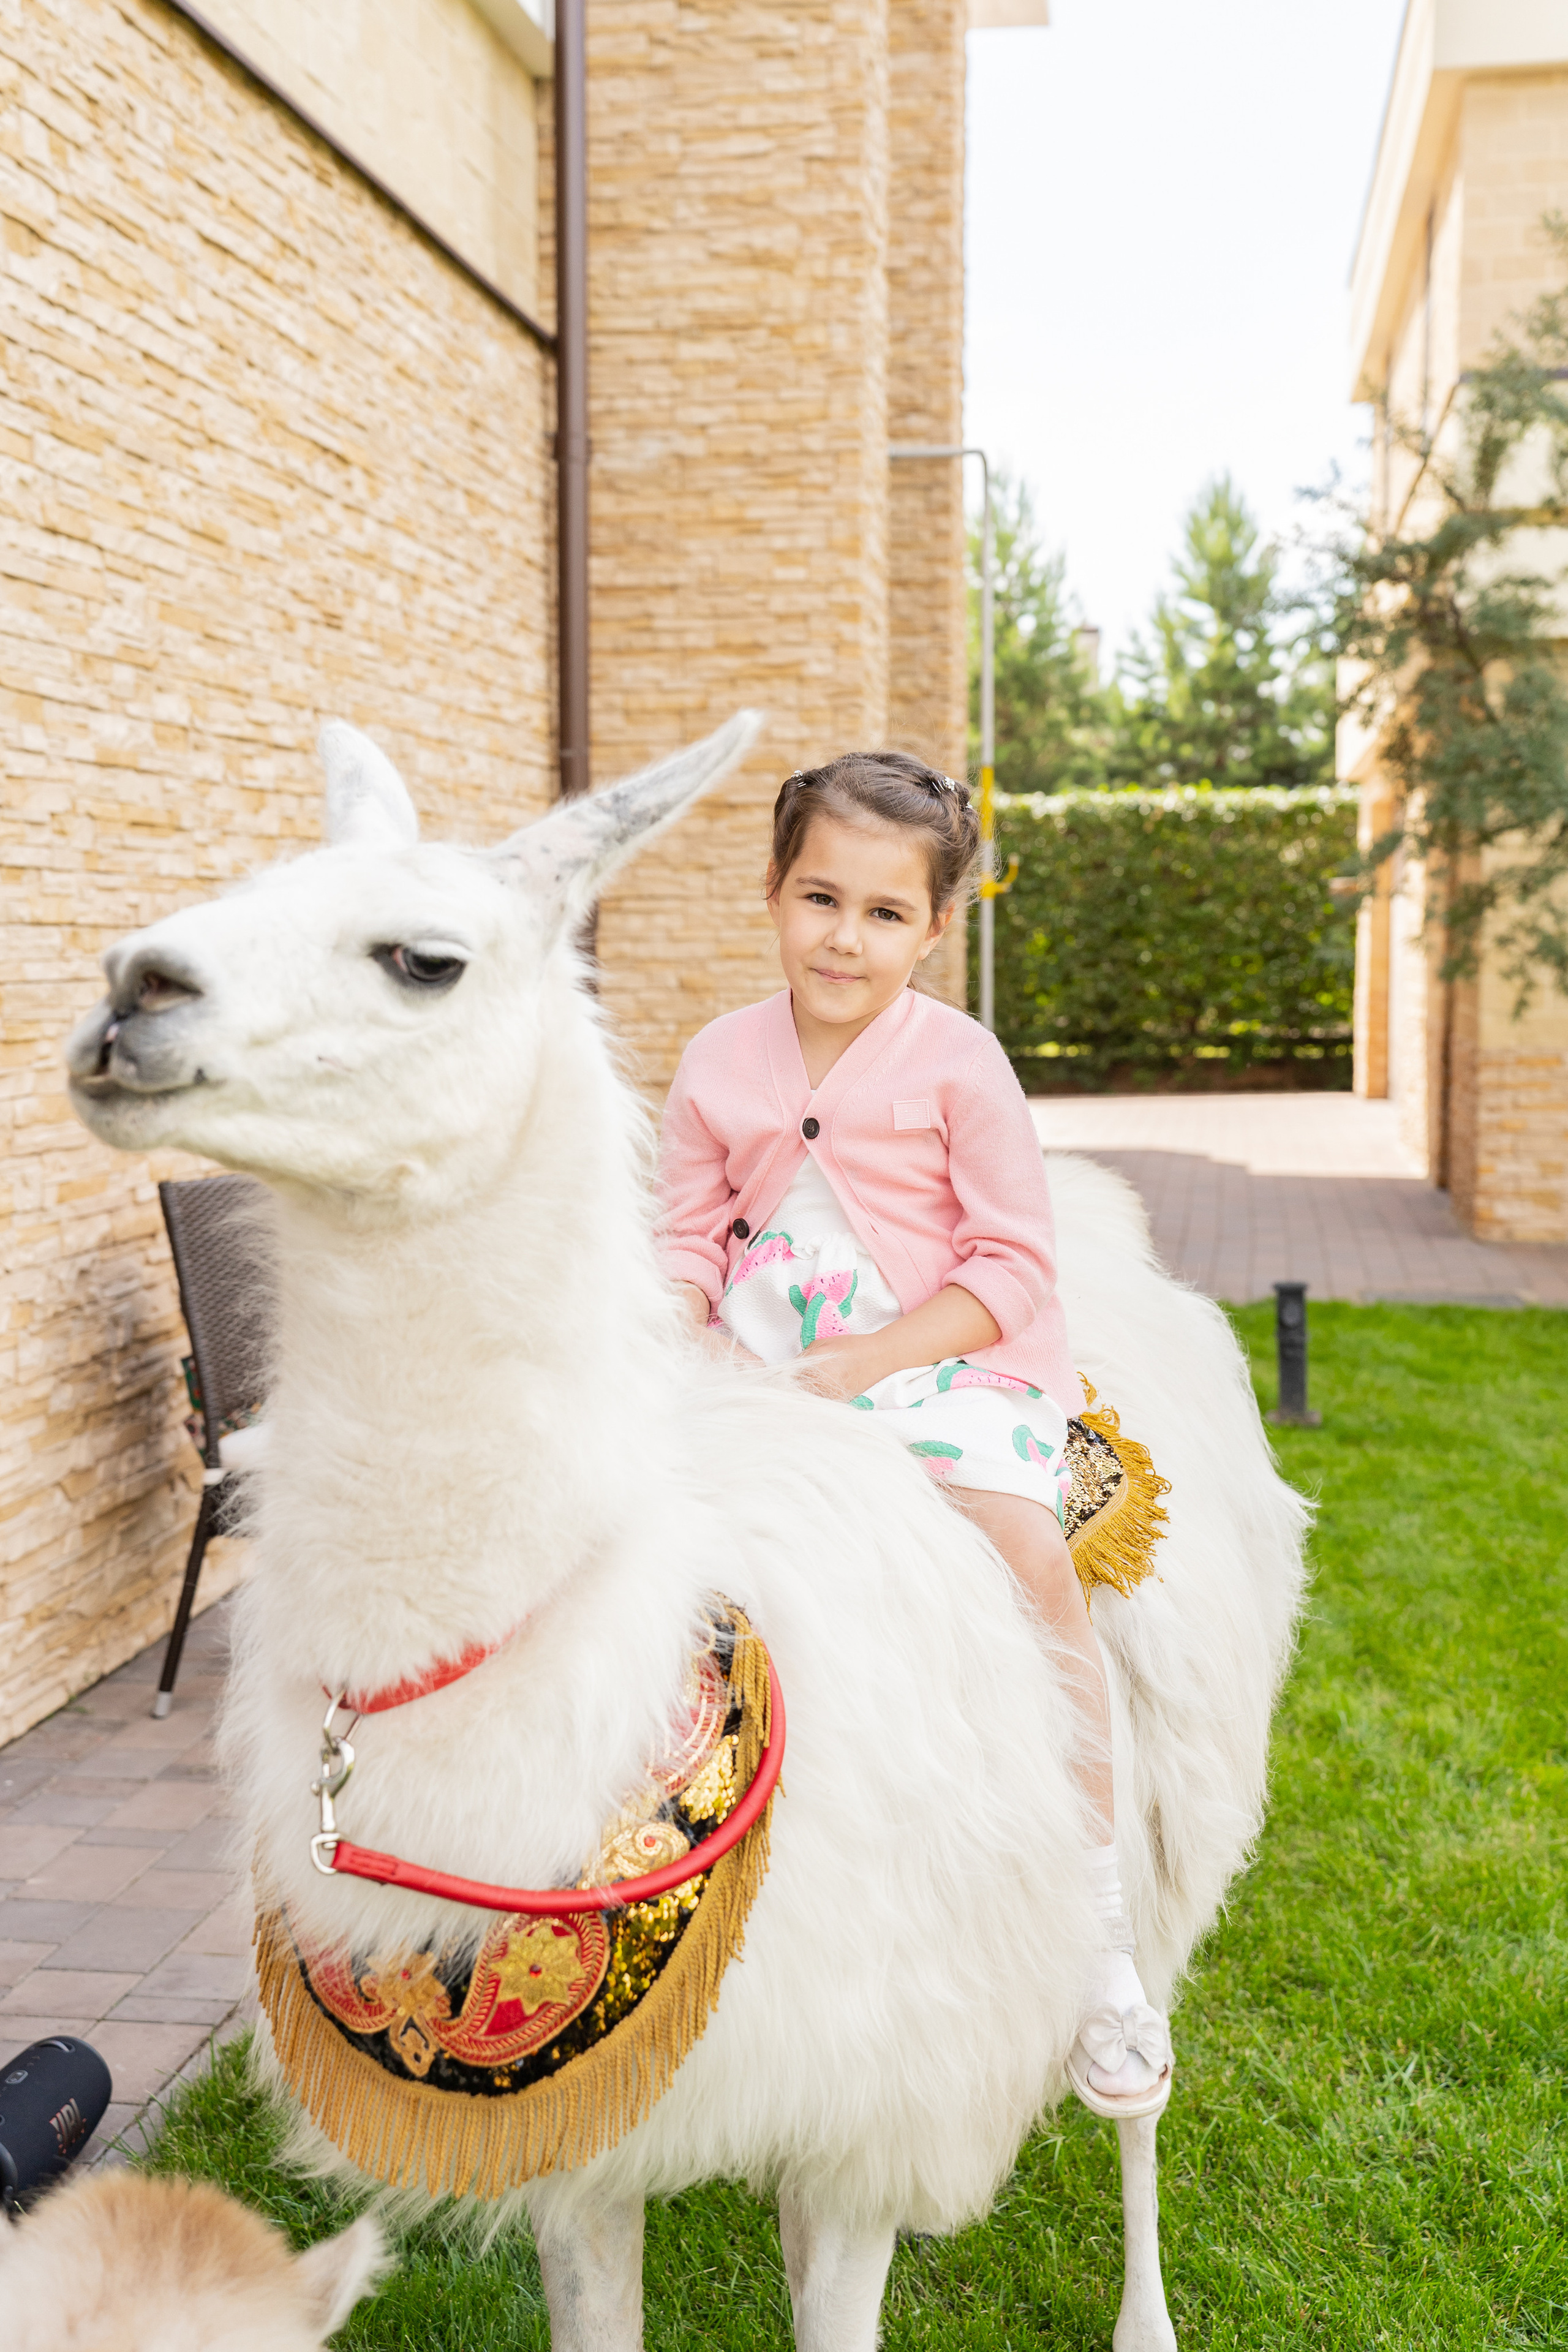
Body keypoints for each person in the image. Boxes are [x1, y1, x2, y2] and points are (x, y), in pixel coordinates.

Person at [654, 749, 1171, 2117]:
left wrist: (873, 1363)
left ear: (932, 930)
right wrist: (683, 1325)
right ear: (771, 892)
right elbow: (687, 1238)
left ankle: (1100, 1929)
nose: (845, 937)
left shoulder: (959, 1063)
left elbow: (1010, 1266)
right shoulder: (717, 1061)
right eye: (820, 899)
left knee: (1020, 1553)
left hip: (936, 1357)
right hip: (763, 1360)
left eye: (884, 915)